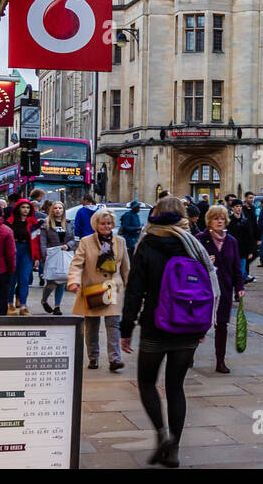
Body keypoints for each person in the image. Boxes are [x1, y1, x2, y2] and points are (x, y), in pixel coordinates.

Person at [120, 195, 219, 467]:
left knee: (147, 382)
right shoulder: (193, 245)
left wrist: (126, 327)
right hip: (188, 326)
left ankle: (162, 434)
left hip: (156, 324)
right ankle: (173, 446)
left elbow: (134, 290)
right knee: (176, 388)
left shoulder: (147, 244)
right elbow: (211, 286)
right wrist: (204, 324)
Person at [68, 208, 130, 371]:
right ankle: (93, 357)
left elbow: (125, 268)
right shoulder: (86, 241)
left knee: (113, 324)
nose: (106, 226)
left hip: (112, 288)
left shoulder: (120, 241)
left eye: (109, 223)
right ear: (96, 224)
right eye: (102, 223)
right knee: (92, 326)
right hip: (92, 287)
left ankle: (114, 359)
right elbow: (77, 263)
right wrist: (74, 281)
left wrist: (131, 288)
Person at [196, 204, 246, 374]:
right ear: (209, 220)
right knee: (199, 324)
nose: (219, 221)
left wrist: (239, 286)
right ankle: (188, 355)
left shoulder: (231, 241)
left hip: (224, 288)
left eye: (222, 218)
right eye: (216, 218)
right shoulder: (200, 239)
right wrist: (204, 262)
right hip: (204, 288)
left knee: (222, 325)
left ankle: (220, 361)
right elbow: (191, 265)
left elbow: (236, 267)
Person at [5, 198, 42, 316]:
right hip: (14, 250)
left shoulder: (34, 223)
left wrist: (37, 258)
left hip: (27, 250)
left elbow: (36, 241)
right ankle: (9, 304)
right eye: (23, 207)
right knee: (12, 279)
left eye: (27, 208)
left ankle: (23, 306)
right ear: (18, 208)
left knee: (25, 279)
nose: (25, 210)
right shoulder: (10, 222)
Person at [40, 200, 74, 315]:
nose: (58, 210)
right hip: (52, 254)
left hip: (65, 254)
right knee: (51, 282)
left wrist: (68, 245)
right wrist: (44, 255)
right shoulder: (46, 224)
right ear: (52, 210)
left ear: (63, 210)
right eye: (55, 208)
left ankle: (57, 306)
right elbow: (43, 242)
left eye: (60, 208)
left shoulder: (69, 223)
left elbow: (73, 239)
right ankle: (44, 300)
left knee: (61, 281)